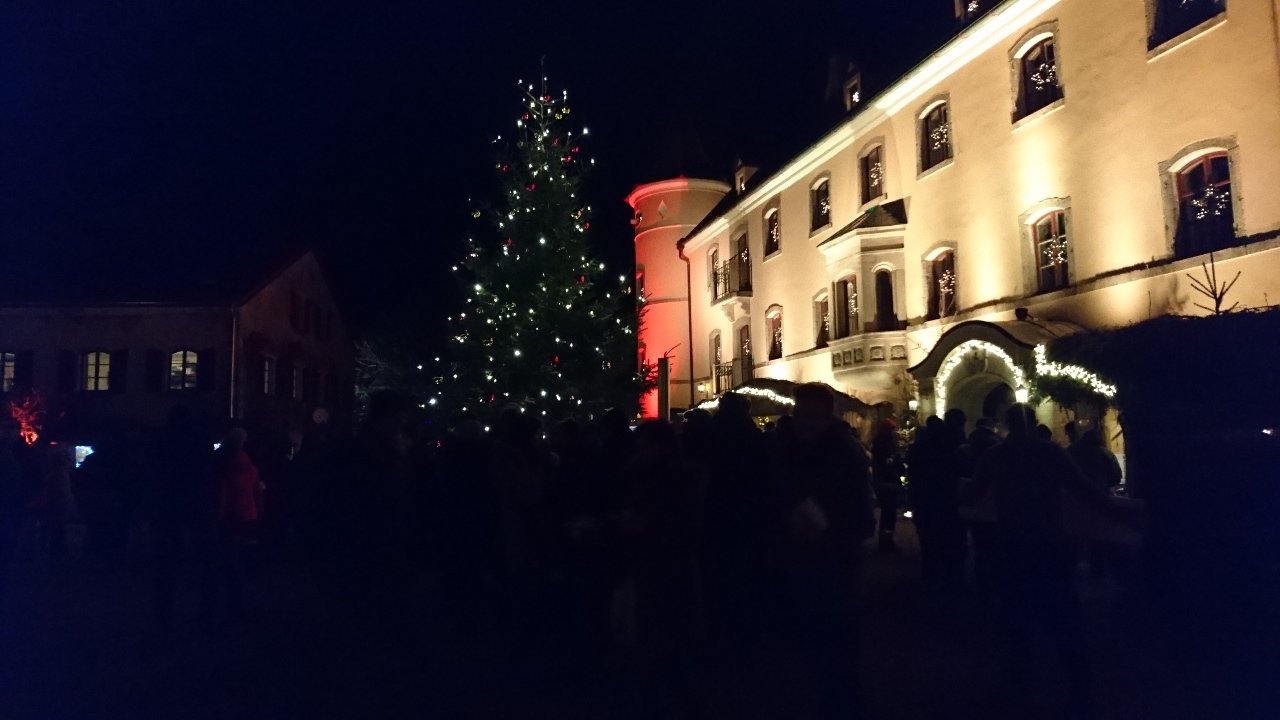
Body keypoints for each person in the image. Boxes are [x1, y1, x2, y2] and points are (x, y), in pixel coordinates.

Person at [967, 403, 1119, 714]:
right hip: (1049, 542)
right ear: (1033, 422)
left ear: (1005, 425)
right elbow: (1081, 488)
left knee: (1016, 615)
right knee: (1064, 615)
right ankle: (1079, 687)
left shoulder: (995, 456)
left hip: (1012, 545)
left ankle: (1021, 681)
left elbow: (973, 493)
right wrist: (1111, 508)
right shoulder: (1050, 453)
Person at [774, 383, 875, 718]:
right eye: (801, 415)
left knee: (836, 650)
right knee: (813, 650)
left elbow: (860, 515)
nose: (805, 422)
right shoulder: (790, 450)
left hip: (836, 565)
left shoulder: (845, 454)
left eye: (813, 416)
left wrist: (824, 529)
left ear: (827, 416)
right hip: (801, 563)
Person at [151, 405, 212, 629]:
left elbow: (154, 470)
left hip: (169, 502)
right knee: (203, 558)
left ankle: (163, 612)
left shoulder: (162, 439)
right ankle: (206, 608)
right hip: (196, 500)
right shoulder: (200, 439)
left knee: (165, 561)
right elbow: (208, 470)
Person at [208, 426, 261, 619]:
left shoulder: (224, 467)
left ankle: (231, 602)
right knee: (238, 558)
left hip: (230, 516)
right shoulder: (250, 466)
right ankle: (240, 602)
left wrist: (216, 517)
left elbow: (221, 495)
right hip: (248, 515)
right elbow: (256, 490)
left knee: (227, 559)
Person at [870, 417, 903, 553]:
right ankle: (885, 543)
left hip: (885, 480)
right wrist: (896, 461)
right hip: (886, 480)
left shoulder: (882, 441)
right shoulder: (883, 443)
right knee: (888, 513)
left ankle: (886, 541)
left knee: (889, 513)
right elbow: (885, 462)